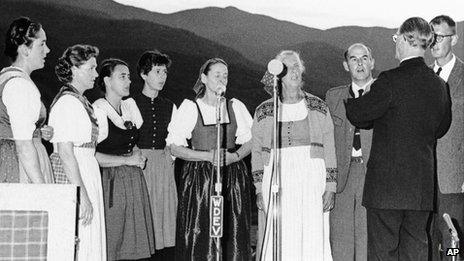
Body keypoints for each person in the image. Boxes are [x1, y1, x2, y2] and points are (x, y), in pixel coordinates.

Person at [345, 17, 452, 261]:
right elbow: (441, 128)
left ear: (405, 39)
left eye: (396, 38)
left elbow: (359, 115)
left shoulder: (390, 80)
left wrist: (351, 99)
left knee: (383, 254)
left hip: (386, 190)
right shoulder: (439, 85)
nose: (395, 44)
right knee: (415, 253)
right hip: (420, 191)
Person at [166, 58, 253, 260]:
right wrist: (206, 156)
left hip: (232, 175)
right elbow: (174, 147)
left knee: (232, 230)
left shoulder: (234, 106)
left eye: (225, 75)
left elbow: (251, 141)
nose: (222, 79)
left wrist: (235, 157)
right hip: (200, 179)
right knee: (201, 230)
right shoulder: (190, 108)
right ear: (204, 78)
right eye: (217, 75)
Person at [253, 50, 336, 261]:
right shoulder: (264, 110)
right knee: (280, 233)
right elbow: (256, 151)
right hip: (276, 177)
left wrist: (330, 187)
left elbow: (329, 148)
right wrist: (258, 189)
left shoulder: (319, 106)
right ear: (277, 74)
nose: (295, 71)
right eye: (288, 67)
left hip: (311, 176)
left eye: (297, 66)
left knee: (311, 232)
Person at [93, 58, 155, 260]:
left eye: (128, 76)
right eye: (122, 76)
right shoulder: (99, 110)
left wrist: (137, 154)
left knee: (133, 242)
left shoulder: (129, 106)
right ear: (108, 81)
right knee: (114, 239)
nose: (128, 81)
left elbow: (131, 140)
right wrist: (127, 161)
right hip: (109, 181)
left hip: (132, 180)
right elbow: (91, 155)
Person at [48, 44, 107, 261]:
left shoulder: (81, 102)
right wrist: (81, 194)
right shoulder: (66, 103)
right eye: (91, 68)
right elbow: (65, 153)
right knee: (80, 236)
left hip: (86, 169)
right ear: (74, 69)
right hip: (76, 173)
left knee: (89, 236)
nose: (96, 73)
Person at [326, 43, 374, 261]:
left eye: (364, 58)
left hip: (373, 176)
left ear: (372, 62)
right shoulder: (333, 97)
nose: (360, 63)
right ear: (346, 65)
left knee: (368, 239)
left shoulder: (385, 93)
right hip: (342, 177)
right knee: (340, 240)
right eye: (354, 59)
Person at [132, 51, 177, 257]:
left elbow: (175, 140)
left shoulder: (170, 106)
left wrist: (171, 155)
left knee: (164, 222)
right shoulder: (129, 104)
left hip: (163, 169)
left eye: (165, 72)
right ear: (143, 74)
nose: (162, 77)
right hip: (138, 167)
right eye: (157, 71)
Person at [0, 17, 53, 184]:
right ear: (25, 49)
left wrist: (38, 130)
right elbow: (23, 146)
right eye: (42, 44)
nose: (48, 50)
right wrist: (42, 189)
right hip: (17, 164)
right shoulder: (19, 85)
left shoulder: (6, 76)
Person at [429, 15, 464, 261]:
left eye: (440, 36)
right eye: (431, 36)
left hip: (454, 180)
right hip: (422, 181)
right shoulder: (422, 78)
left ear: (455, 38)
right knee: (429, 243)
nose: (435, 42)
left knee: (454, 244)